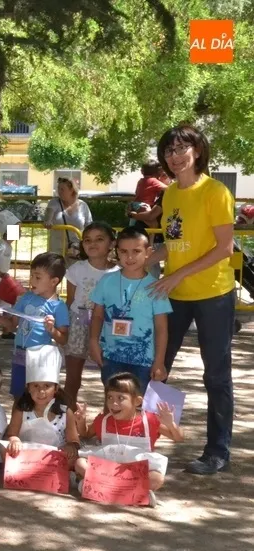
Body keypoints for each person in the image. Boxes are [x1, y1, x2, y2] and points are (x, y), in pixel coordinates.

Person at [147, 125, 235, 476]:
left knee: (216, 374)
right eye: (169, 150)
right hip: (175, 295)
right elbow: (174, 243)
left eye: (182, 148)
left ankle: (217, 450)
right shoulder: (170, 194)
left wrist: (177, 275)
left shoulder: (215, 191)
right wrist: (141, 258)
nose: (175, 156)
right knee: (156, 367)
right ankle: (140, 440)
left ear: (197, 151)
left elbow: (224, 248)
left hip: (214, 295)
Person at [76, 372, 184, 507]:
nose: (114, 403)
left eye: (120, 398)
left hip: (135, 472)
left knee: (157, 478)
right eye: (109, 397)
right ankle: (134, 494)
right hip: (106, 470)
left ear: (137, 401)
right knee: (80, 463)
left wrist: (171, 424)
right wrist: (81, 422)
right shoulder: (103, 420)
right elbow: (86, 434)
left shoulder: (149, 420)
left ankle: (98, 488)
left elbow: (178, 438)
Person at [90, 227, 172, 391]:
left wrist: (159, 361)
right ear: (117, 252)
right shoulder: (106, 281)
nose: (130, 257)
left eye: (136, 251)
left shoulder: (156, 287)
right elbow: (97, 315)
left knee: (137, 402)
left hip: (143, 361)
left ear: (148, 252)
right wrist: (93, 341)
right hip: (111, 357)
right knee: (113, 400)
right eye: (124, 251)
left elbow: (161, 328)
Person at [0, 252, 69, 398]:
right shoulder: (26, 298)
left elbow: (63, 339)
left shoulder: (59, 307)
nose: (32, 280)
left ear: (54, 281)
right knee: (19, 396)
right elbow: (12, 325)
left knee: (38, 398)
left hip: (40, 359)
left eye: (38, 277)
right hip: (20, 355)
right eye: (31, 275)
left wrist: (52, 330)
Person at [63, 223, 119, 407]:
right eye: (87, 240)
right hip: (78, 324)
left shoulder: (118, 273)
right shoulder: (76, 269)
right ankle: (69, 415)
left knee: (110, 377)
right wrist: (63, 327)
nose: (92, 244)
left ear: (112, 243)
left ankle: (110, 417)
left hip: (106, 327)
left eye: (99, 239)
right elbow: (70, 301)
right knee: (72, 378)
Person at [0, 345, 80, 469]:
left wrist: (71, 446)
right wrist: (14, 440)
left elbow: (74, 441)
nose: (41, 391)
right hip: (27, 455)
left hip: (54, 456)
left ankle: (55, 473)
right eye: (36, 386)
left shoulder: (65, 412)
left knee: (73, 458)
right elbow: (11, 434)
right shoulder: (22, 410)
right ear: (28, 388)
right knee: (3, 450)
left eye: (47, 386)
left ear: (56, 388)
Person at [44, 177, 92, 257]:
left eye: (62, 189)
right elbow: (49, 214)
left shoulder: (83, 205)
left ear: (71, 190)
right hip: (57, 249)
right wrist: (48, 221)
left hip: (76, 249)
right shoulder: (54, 202)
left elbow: (89, 226)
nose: (59, 192)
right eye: (58, 189)